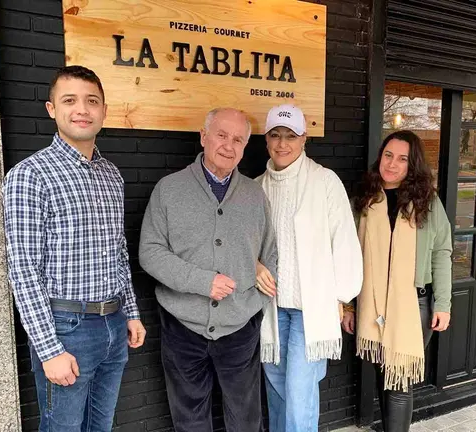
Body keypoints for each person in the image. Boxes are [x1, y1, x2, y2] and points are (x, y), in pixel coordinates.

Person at [3, 65, 146, 432]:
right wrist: (50, 351)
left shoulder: (111, 175)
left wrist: (130, 312)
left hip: (113, 323)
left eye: (91, 101)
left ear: (104, 111)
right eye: (70, 100)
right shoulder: (29, 175)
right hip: (67, 328)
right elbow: (23, 270)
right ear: (52, 109)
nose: (82, 109)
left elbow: (118, 252)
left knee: (100, 427)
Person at [138, 108, 278, 432]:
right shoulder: (169, 190)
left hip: (240, 328)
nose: (229, 146)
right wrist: (203, 281)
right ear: (203, 136)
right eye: (221, 135)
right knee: (189, 419)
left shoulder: (255, 196)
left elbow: (271, 254)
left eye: (238, 139)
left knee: (246, 419)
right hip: (182, 328)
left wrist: (256, 298)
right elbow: (149, 252)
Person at [254, 105, 363, 432]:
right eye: (275, 135)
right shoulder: (257, 186)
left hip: (309, 311)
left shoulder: (324, 181)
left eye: (291, 136)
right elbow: (246, 242)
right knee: (276, 391)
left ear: (305, 139)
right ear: (266, 139)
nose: (282, 144)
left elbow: (344, 241)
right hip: (271, 309)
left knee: (299, 397)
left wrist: (343, 298)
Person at [341, 130, 452, 432]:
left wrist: (443, 303)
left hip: (414, 305)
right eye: (388, 155)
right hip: (373, 303)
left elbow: (442, 252)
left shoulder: (427, 202)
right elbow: (348, 256)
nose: (392, 164)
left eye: (402, 159)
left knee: (399, 379)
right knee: (383, 375)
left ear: (412, 164)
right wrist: (348, 307)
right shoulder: (364, 199)